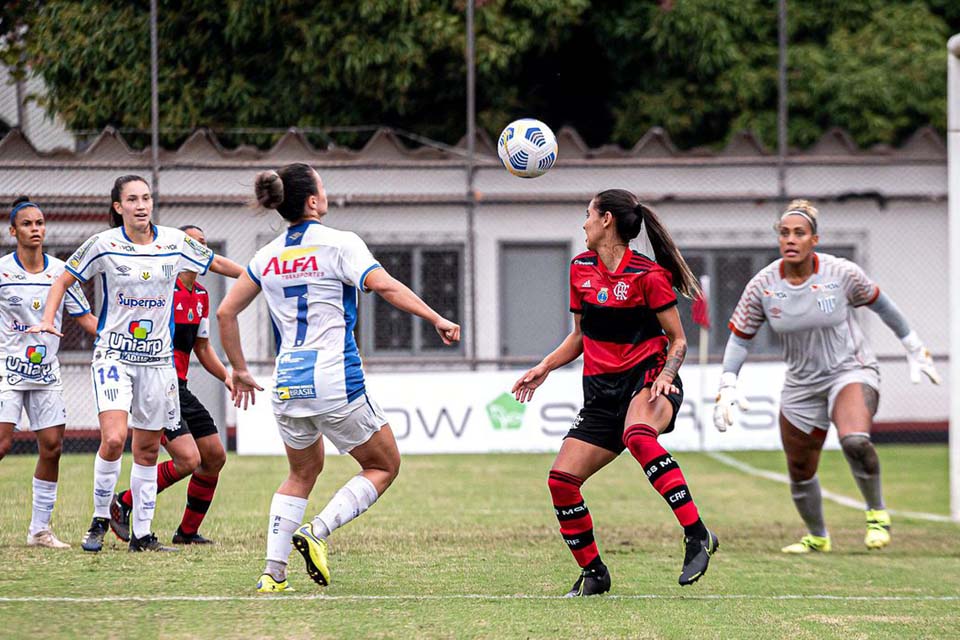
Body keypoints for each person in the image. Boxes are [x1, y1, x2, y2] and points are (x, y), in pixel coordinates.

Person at [216, 162, 460, 593]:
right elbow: (385, 286)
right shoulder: (340, 243)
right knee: (384, 464)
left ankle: (272, 574)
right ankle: (317, 531)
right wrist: (435, 317)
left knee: (301, 473)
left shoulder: (266, 256)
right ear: (312, 201)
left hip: (288, 382)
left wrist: (239, 369)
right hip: (334, 379)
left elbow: (225, 312)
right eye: (323, 187)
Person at [512, 189, 718, 596]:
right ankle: (594, 573)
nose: (583, 223)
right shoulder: (579, 269)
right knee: (561, 481)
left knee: (638, 436)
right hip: (601, 393)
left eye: (588, 214)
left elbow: (678, 340)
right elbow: (579, 336)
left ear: (606, 220)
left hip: (649, 379)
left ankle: (696, 534)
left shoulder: (648, 275)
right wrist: (544, 367)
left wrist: (667, 374)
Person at [713, 199, 940, 553]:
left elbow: (882, 305)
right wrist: (728, 382)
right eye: (784, 233)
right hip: (801, 383)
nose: (791, 239)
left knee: (854, 441)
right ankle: (818, 538)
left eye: (799, 233)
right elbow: (741, 338)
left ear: (814, 240)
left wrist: (914, 346)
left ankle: (877, 515)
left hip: (850, 369)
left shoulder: (841, 273)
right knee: (800, 468)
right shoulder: (763, 285)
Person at [30, 175, 242, 553]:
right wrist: (48, 319)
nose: (141, 205)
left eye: (146, 198)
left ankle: (142, 535)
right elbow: (62, 280)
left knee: (147, 450)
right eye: (132, 199)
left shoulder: (174, 241)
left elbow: (217, 262)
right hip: (114, 355)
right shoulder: (104, 244)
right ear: (118, 206)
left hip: (157, 363)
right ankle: (99, 518)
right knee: (114, 439)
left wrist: (258, 278)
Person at [109, 224, 232, 545]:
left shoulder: (201, 296)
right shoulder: (162, 290)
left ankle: (187, 533)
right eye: (194, 243)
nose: (201, 249)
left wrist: (228, 376)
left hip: (180, 388)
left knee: (215, 456)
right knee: (188, 460)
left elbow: (203, 348)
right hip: (156, 384)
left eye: (205, 244)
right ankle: (124, 502)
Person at [0, 197, 98, 549]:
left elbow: (85, 318)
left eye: (39, 223)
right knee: (2, 444)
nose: (35, 229)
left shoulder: (61, 272)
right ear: (13, 231)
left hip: (45, 373)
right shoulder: (2, 272)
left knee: (52, 447)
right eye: (27, 224)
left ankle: (39, 530)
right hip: (6, 370)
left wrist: (116, 336)